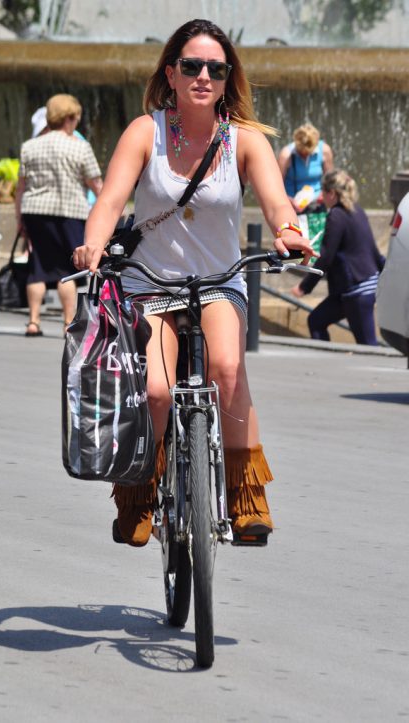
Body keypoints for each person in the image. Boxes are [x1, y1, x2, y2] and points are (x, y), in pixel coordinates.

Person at [72, 18, 315, 547]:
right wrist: (93, 243)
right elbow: (110, 201)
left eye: (216, 68)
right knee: (156, 390)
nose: (204, 75)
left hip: (220, 281)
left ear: (228, 79)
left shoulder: (244, 141)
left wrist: (290, 232)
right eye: (192, 66)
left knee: (228, 369)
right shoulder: (146, 131)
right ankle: (137, 497)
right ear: (172, 73)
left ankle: (247, 500)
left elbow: (277, 200)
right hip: (150, 281)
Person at [15, 94, 103, 337]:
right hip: (69, 213)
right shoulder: (79, 146)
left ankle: (33, 321)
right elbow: (97, 185)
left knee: (38, 267)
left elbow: (20, 189)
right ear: (69, 118)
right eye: (76, 118)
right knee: (67, 271)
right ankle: (67, 323)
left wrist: (19, 219)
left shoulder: (30, 146)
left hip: (34, 211)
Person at [291, 169, 385, 345]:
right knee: (316, 321)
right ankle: (325, 364)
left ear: (332, 193)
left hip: (357, 289)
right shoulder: (357, 210)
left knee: (368, 346)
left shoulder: (336, 215)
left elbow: (326, 256)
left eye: (323, 192)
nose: (321, 198)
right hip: (354, 287)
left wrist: (304, 287)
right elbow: (373, 251)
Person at [277, 123, 334, 213]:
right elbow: (276, 186)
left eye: (309, 153)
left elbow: (330, 181)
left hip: (317, 203)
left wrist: (323, 195)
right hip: (293, 204)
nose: (305, 155)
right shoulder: (286, 155)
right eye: (301, 152)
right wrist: (287, 199)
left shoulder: (324, 150)